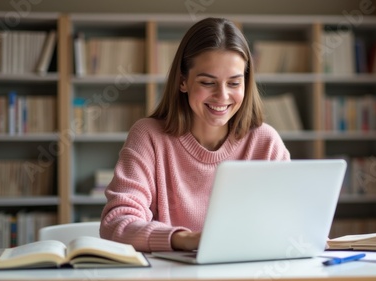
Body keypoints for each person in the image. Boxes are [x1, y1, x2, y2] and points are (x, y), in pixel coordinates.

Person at [100, 17, 290, 253]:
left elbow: (289, 221)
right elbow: (115, 224)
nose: (222, 96)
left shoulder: (265, 142)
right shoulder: (149, 136)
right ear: (183, 82)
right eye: (208, 82)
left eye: (234, 83)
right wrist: (184, 239)